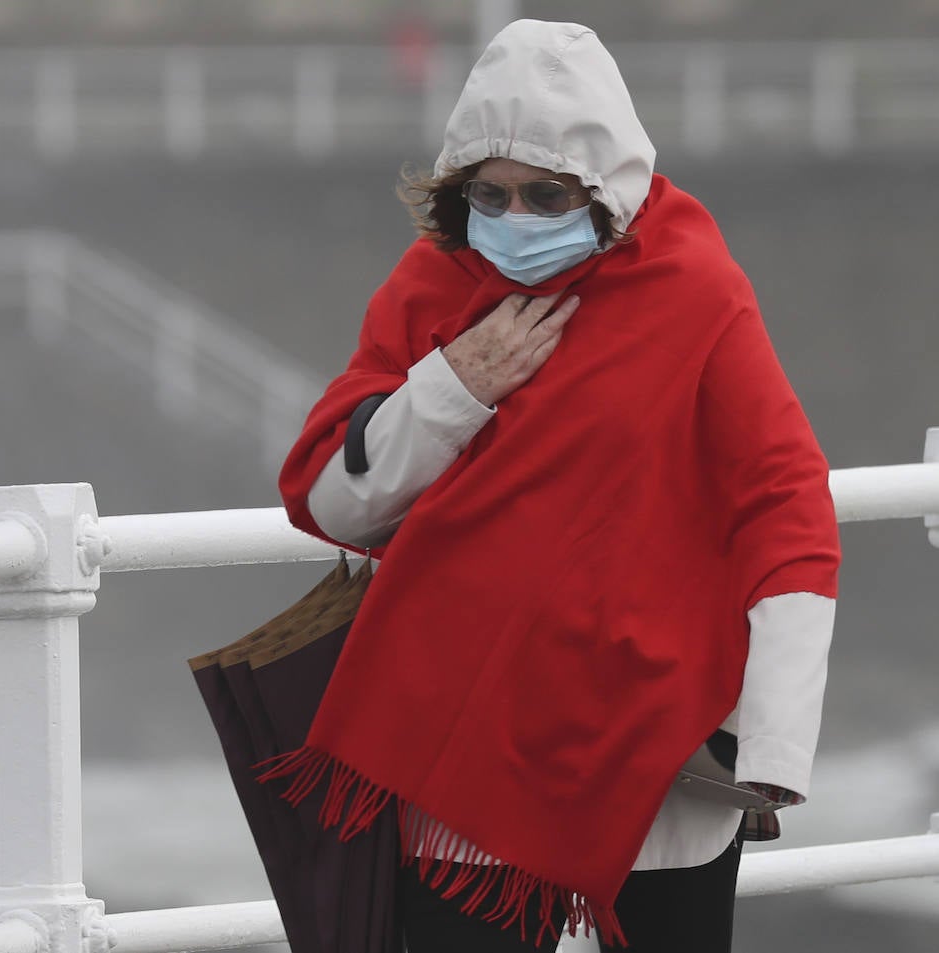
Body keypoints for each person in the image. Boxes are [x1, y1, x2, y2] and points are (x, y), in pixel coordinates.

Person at [269, 19, 840, 953]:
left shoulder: (695, 285)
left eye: (546, 194)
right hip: (466, 739)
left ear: (603, 189)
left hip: (658, 746)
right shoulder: (433, 285)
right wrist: (452, 387)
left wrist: (771, 753)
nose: (518, 219)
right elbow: (333, 499)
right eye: (490, 195)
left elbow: (786, 504)